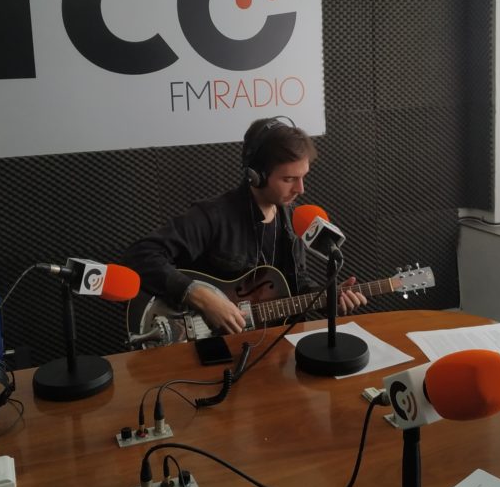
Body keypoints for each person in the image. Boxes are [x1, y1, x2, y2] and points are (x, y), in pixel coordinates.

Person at [120, 117, 366, 336]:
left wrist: (327, 297)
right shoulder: (214, 216)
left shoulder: (293, 221)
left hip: (271, 344)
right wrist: (201, 297)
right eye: (289, 179)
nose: (300, 189)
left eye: (303, 177)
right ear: (256, 176)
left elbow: (297, 283)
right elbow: (140, 255)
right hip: (210, 346)